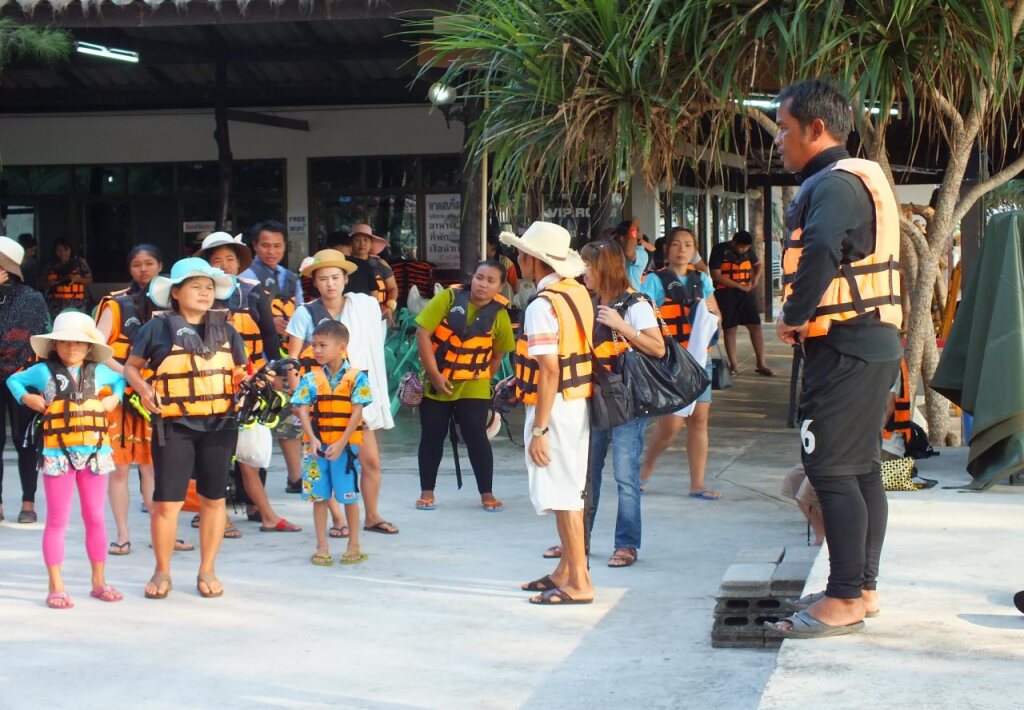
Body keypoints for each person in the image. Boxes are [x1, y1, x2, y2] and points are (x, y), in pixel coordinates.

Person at [769, 79, 902, 639]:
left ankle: (845, 596)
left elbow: (821, 247)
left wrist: (794, 314)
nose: (779, 140)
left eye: (785, 129)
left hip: (847, 346)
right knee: (861, 467)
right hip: (865, 344)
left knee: (828, 468)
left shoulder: (837, 184)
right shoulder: (849, 180)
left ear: (816, 129)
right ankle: (859, 588)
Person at [124, 258, 250, 600]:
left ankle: (207, 569)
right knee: (167, 502)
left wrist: (249, 386)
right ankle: (162, 570)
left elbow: (240, 370)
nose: (205, 293)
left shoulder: (227, 329)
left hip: (221, 424)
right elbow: (131, 368)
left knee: (214, 498)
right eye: (196, 287)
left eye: (209, 287)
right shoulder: (156, 328)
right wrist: (143, 389)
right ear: (176, 293)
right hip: (174, 425)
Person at [501, 221, 594, 605]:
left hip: (554, 408)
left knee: (563, 495)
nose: (518, 259)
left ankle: (580, 583)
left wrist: (539, 430)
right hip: (573, 403)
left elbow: (550, 370)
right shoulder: (576, 291)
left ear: (534, 260)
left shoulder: (542, 305)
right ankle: (566, 571)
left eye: (522, 254)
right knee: (568, 491)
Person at [7, 311, 125, 608]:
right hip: (57, 454)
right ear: (54, 345)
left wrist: (115, 398)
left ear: (89, 347)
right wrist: (27, 398)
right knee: (57, 519)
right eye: (64, 342)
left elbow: (122, 380)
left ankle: (99, 581)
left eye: (79, 342)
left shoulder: (100, 371)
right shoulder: (42, 371)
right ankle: (56, 585)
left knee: (95, 517)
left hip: (95, 453)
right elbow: (13, 380)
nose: (72, 348)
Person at [287, 249, 398, 536]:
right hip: (320, 400)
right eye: (323, 278)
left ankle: (371, 516)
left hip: (354, 396)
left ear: (346, 279)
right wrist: (298, 399)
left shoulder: (362, 307)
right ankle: (338, 519)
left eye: (335, 277)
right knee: (325, 461)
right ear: (315, 282)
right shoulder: (305, 313)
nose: (330, 284)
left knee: (370, 461)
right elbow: (293, 360)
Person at [196, 232, 300, 534]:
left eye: (230, 259)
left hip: (252, 379)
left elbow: (268, 335)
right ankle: (216, 515)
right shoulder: (198, 294)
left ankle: (257, 508)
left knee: (253, 452)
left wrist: (275, 372)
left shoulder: (253, 291)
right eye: (217, 260)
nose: (224, 265)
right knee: (215, 451)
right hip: (211, 382)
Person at [95, 245, 186, 554]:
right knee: (120, 469)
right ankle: (122, 535)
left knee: (153, 468)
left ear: (160, 265)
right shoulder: (116, 304)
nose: (143, 269)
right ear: (129, 268)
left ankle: (162, 533)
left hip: (157, 395)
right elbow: (98, 350)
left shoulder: (175, 303)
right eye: (137, 264)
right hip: (121, 394)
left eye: (149, 263)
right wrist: (129, 374)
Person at [580, 240, 665, 568]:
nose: (583, 271)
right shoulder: (588, 301)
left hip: (627, 400)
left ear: (603, 267)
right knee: (587, 474)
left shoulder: (635, 302)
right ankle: (578, 540)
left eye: (587, 265)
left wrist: (622, 326)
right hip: (595, 397)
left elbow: (658, 348)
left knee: (625, 475)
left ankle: (627, 544)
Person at [413, 260, 514, 512]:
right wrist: (435, 374)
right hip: (436, 381)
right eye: (479, 277)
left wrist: (481, 379)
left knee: (477, 436)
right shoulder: (448, 298)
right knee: (432, 436)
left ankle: (487, 493)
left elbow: (497, 355)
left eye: (491, 281)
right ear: (473, 277)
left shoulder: (499, 315)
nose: (483, 284)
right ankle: (427, 492)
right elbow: (422, 333)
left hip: (474, 385)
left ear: (500, 286)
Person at [638, 227, 722, 498]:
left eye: (688, 244)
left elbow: (716, 313)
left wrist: (706, 316)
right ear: (667, 249)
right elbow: (643, 316)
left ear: (694, 250)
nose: (682, 249)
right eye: (676, 244)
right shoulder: (655, 281)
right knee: (672, 424)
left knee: (699, 419)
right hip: (671, 361)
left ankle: (698, 484)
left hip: (699, 360)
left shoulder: (702, 279)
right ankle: (643, 471)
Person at [292, 320, 371, 565]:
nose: (316, 350)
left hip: (344, 449)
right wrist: (313, 439)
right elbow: (302, 410)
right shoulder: (310, 378)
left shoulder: (357, 378)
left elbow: (357, 412)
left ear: (341, 347)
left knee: (349, 496)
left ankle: (354, 544)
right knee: (319, 497)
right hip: (315, 448)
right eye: (314, 345)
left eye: (322, 345)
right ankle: (321, 546)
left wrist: (342, 442)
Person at [239, 221, 306, 495]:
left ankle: (296, 478)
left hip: (286, 359)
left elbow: (301, 312)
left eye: (277, 245)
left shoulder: (291, 278)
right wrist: (269, 322)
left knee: (290, 418)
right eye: (265, 245)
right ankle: (248, 486)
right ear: (255, 246)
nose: (271, 251)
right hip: (256, 362)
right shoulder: (244, 277)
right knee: (253, 423)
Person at [0, 236, 49, 525]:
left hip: (23, 375)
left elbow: (29, 339)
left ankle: (28, 501)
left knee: (25, 439)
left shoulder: (31, 298)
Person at [709, 230, 773, 376]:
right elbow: (716, 275)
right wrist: (738, 286)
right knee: (730, 328)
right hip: (726, 294)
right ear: (734, 242)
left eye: (746, 247)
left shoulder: (749, 251)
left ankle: (762, 363)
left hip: (746, 294)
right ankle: (734, 365)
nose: (744, 250)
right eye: (741, 247)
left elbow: (758, 264)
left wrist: (755, 279)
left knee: (755, 326)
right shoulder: (719, 250)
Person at [349, 223, 399, 326]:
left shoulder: (380, 264)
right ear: (351, 243)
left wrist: (390, 306)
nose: (362, 244)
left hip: (379, 315)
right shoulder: (346, 265)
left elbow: (392, 288)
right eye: (357, 240)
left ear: (371, 243)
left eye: (366, 240)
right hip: (351, 316)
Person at [41, 240, 93, 317]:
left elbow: (89, 280)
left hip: (78, 306)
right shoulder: (50, 265)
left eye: (65, 250)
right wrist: (49, 283)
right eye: (59, 250)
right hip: (56, 307)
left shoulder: (80, 262)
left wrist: (76, 279)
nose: (62, 253)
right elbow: (40, 283)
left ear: (70, 250)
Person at [613, 220, 656, 290]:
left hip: (631, 295)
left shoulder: (641, 253)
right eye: (618, 236)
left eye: (624, 236)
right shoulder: (619, 251)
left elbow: (629, 253)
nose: (619, 239)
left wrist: (634, 227)